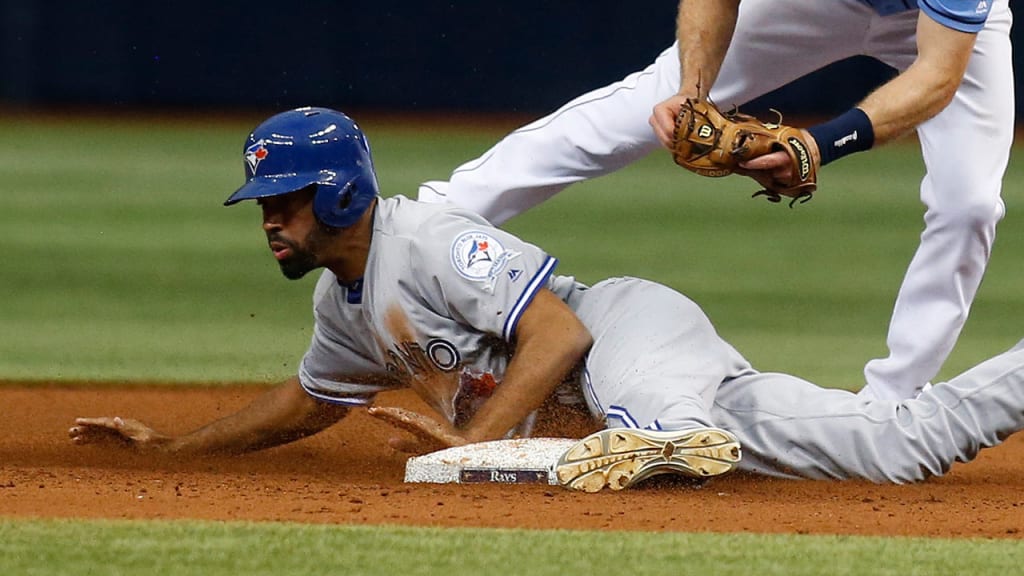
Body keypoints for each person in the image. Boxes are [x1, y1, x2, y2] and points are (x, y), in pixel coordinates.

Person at [70, 107, 1024, 493]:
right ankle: (662, 438)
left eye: (284, 202)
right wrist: (179, 447)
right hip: (638, 397)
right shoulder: (344, 306)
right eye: (263, 207)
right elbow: (312, 401)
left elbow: (560, 331)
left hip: (627, 333)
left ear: (339, 194)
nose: (270, 222)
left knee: (651, 421)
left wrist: (485, 443)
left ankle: (657, 439)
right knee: (898, 448)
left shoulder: (432, 240)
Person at [417, 0, 1015, 403]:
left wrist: (818, 145)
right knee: (636, 112)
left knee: (968, 205)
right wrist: (692, 91)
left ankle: (892, 403)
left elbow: (939, 74)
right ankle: (426, 221)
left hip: (944, 28)